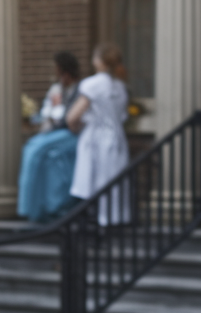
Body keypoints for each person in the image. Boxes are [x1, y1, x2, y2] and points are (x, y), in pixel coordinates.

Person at [67, 43, 132, 225]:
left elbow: (73, 116)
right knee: (112, 184)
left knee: (92, 182)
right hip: (117, 138)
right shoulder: (120, 86)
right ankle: (113, 222)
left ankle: (95, 225)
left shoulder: (92, 84)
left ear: (100, 61)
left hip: (95, 138)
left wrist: (76, 127)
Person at [17, 51, 82, 223]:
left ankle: (45, 206)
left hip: (71, 133)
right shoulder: (57, 89)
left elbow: (71, 118)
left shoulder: (80, 90)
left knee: (36, 150)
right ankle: (36, 208)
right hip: (55, 132)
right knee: (36, 150)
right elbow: (46, 112)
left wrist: (56, 118)